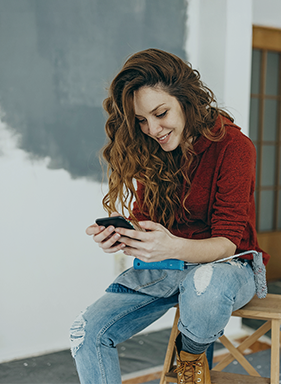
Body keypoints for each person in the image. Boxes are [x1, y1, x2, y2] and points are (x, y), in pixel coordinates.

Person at [69, 48, 268, 384]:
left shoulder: (234, 147)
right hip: (170, 267)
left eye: (161, 113)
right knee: (85, 332)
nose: (153, 129)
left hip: (229, 266)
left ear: (186, 100)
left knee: (204, 286)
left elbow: (227, 243)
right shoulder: (153, 149)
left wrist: (170, 246)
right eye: (142, 120)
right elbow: (148, 221)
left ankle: (190, 357)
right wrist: (126, 236)